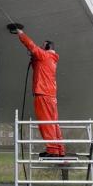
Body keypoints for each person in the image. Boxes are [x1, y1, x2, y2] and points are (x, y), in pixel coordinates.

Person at [16, 28, 65, 157]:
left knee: (46, 122)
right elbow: (38, 68)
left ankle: (53, 150)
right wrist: (34, 59)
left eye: (43, 46)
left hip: (43, 93)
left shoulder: (45, 55)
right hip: (50, 95)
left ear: (48, 46)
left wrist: (21, 34)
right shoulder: (51, 59)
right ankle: (59, 150)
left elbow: (31, 46)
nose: (41, 48)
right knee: (53, 122)